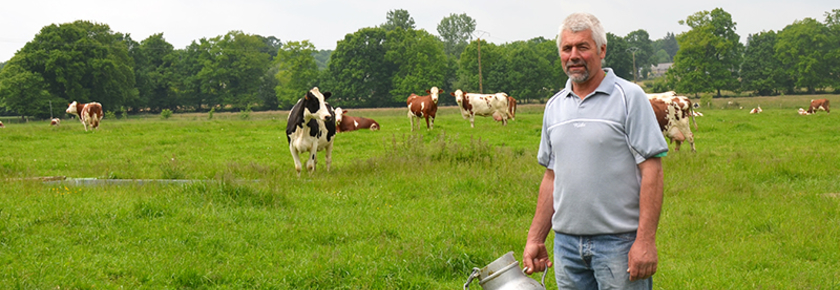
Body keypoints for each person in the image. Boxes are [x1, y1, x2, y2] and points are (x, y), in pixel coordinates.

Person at [522, 12, 669, 290]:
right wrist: (536, 238)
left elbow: (652, 170)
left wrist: (645, 241)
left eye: (583, 47)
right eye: (567, 48)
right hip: (566, 246)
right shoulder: (554, 106)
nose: (574, 55)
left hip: (619, 243)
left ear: (602, 50)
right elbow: (552, 177)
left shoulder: (630, 97)